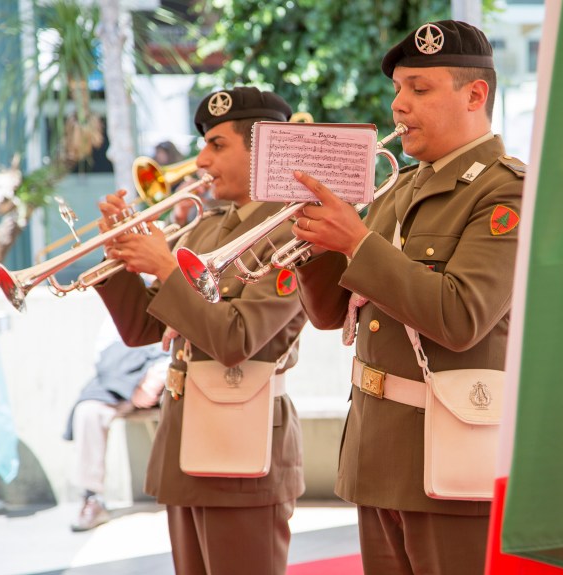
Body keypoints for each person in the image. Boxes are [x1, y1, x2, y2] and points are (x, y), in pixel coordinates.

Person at [291, 21, 524, 574]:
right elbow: (328, 314)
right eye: (398, 90)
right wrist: (310, 241)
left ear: (475, 95)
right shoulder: (400, 186)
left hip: (450, 459)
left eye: (419, 89)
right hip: (378, 455)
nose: (399, 106)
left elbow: (460, 316)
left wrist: (357, 240)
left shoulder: (506, 187)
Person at [94, 87, 307, 574]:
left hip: (244, 443)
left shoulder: (291, 233)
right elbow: (141, 326)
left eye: (216, 145)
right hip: (187, 441)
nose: (200, 161)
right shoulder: (206, 229)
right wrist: (119, 255)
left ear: (263, 149)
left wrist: (167, 270)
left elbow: (236, 340)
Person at [63, 320, 169, 532]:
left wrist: (156, 375)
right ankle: (93, 498)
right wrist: (134, 383)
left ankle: (178, 493)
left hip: (164, 378)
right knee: (88, 411)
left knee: (178, 402)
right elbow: (104, 354)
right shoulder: (126, 298)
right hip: (122, 381)